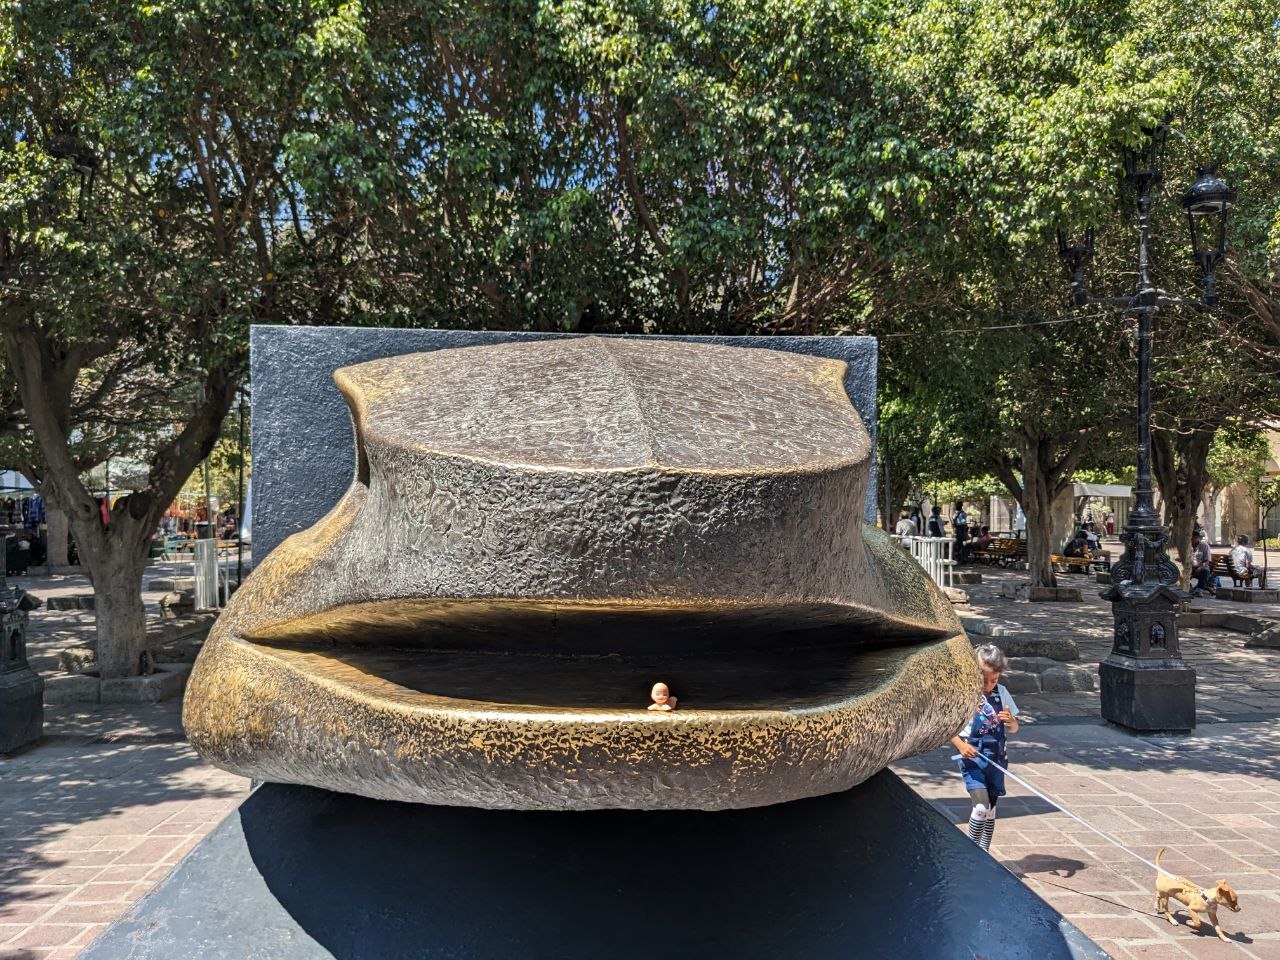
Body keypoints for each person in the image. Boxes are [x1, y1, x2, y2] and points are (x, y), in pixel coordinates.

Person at [951, 644, 1020, 853]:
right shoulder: (963, 694)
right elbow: (946, 729)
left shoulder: (1002, 693)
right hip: (972, 758)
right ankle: (972, 852)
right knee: (981, 807)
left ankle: (985, 852)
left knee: (990, 810)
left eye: (994, 680)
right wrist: (961, 745)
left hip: (996, 757)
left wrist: (1011, 722)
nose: (989, 685)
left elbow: (1014, 728)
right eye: (983, 680)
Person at [1190, 531, 1215, 597]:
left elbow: (1207, 561)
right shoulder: (1187, 545)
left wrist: (1200, 567)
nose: (1191, 540)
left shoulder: (1204, 546)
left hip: (1201, 566)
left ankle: (1199, 590)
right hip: (1189, 567)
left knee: (1205, 571)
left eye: (1193, 538)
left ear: (1197, 538)